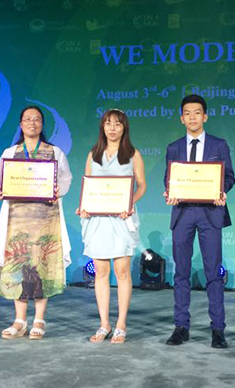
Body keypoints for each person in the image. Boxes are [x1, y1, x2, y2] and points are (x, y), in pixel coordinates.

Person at [0, 105, 72, 340]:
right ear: (20, 124)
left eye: (37, 119)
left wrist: (57, 190)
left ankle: (39, 319)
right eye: (27, 119)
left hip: (46, 219)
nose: (32, 123)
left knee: (42, 266)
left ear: (42, 124)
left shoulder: (55, 152)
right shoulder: (9, 153)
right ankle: (19, 321)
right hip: (16, 220)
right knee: (18, 266)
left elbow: (66, 178)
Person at [163, 94, 235, 349]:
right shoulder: (173, 147)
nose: (192, 117)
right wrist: (169, 191)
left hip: (210, 213)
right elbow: (168, 178)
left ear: (205, 116)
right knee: (181, 272)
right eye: (187, 113)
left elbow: (229, 177)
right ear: (181, 118)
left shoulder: (219, 145)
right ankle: (181, 326)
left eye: (197, 112)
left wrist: (221, 190)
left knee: (213, 273)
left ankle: (218, 329)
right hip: (182, 213)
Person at [77, 109, 146, 344]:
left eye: (117, 124)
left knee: (122, 271)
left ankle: (121, 324)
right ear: (103, 127)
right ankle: (104, 323)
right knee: (101, 272)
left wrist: (130, 203)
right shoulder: (93, 154)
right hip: (97, 221)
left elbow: (142, 185)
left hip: (121, 220)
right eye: (108, 123)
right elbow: (88, 186)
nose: (113, 128)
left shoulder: (133, 154)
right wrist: (84, 206)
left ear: (124, 127)